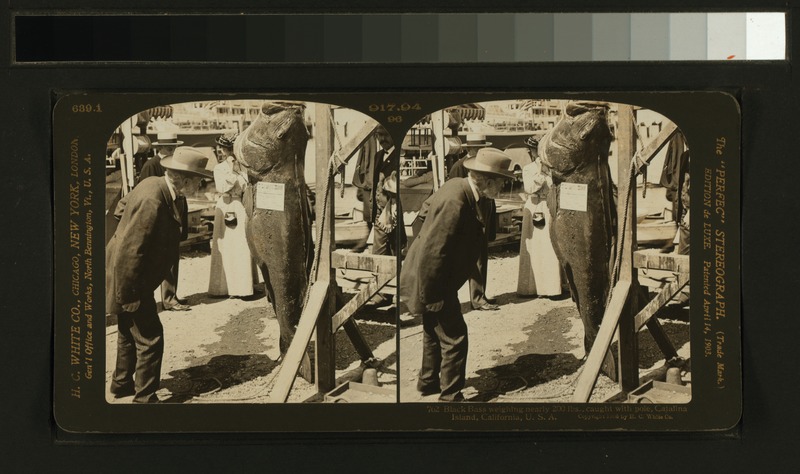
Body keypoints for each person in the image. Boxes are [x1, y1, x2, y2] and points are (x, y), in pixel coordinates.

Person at [401, 147, 515, 401]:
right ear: (486, 180)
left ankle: (428, 383)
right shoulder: (456, 199)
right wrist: (432, 294)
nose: (503, 189)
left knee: (434, 330)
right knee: (455, 337)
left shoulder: (459, 186)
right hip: (432, 279)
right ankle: (450, 398)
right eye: (502, 183)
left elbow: (424, 216)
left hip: (436, 278)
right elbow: (434, 252)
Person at [106, 147, 212, 403]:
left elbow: (121, 208)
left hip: (132, 274)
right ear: (185, 179)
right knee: (150, 337)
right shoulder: (154, 198)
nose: (201, 184)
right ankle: (145, 399)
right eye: (199, 179)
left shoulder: (154, 185)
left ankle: (121, 384)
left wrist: (127, 224)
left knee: (127, 330)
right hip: (129, 276)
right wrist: (129, 293)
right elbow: (132, 250)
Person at [138, 130, 190, 311]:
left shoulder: (176, 163)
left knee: (173, 257)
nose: (172, 151)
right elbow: (145, 194)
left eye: (174, 148)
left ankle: (170, 295)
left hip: (174, 216)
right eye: (170, 148)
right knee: (157, 258)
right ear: (160, 147)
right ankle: (162, 298)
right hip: (160, 218)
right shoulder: (151, 166)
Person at [448, 133, 498, 311]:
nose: (481, 151)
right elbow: (454, 193)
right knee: (473, 257)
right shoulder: (459, 166)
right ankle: (476, 298)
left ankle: (480, 294)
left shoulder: (484, 165)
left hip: (483, 215)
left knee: (482, 256)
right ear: (469, 149)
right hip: (470, 217)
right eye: (478, 148)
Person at [208, 132, 259, 298]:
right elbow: (222, 187)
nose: (224, 151)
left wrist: (238, 170)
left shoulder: (242, 168)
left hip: (239, 206)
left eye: (226, 149)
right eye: (224, 149)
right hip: (226, 206)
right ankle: (222, 287)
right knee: (226, 246)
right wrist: (231, 169)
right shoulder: (220, 168)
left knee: (241, 245)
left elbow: (247, 186)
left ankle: (243, 287)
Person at [517, 136, 563, 297]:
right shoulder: (529, 169)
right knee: (535, 247)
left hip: (549, 206)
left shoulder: (553, 168)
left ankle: (552, 288)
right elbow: (529, 188)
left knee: (550, 246)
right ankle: (530, 287)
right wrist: (541, 174)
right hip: (535, 206)